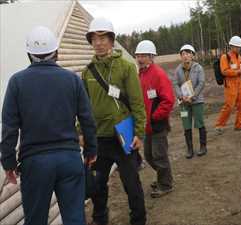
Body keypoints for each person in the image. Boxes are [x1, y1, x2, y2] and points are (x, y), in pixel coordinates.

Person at [0, 26, 97, 225]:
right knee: (74, 219)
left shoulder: (17, 82)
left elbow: (9, 128)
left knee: (36, 220)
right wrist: (91, 150)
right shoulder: (72, 80)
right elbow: (87, 119)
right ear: (57, 52)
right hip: (69, 159)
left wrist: (8, 163)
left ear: (29, 54)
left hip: (35, 164)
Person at [82, 17, 146, 225]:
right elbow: (81, 107)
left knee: (131, 184)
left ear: (111, 40)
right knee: (98, 186)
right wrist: (80, 131)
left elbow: (137, 103)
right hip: (99, 139)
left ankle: (138, 220)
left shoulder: (126, 67)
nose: (98, 43)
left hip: (123, 136)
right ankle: (100, 220)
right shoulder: (87, 72)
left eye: (103, 38)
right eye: (94, 38)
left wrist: (139, 133)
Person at [135, 40, 175, 198]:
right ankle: (163, 177)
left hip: (157, 124)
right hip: (147, 125)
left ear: (151, 57)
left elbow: (168, 100)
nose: (140, 58)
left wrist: (155, 116)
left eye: (143, 56)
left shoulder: (158, 74)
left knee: (159, 156)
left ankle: (165, 185)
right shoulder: (141, 74)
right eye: (138, 55)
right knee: (150, 156)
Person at [173, 44, 207, 159]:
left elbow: (201, 83)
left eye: (188, 53)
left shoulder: (198, 68)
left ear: (192, 55)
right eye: (183, 54)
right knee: (186, 125)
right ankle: (190, 149)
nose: (185, 56)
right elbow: (175, 84)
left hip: (197, 101)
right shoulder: (178, 70)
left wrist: (192, 96)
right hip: (183, 103)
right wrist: (181, 96)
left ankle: (203, 146)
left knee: (199, 123)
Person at [215, 36, 241, 134]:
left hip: (239, 83)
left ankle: (239, 124)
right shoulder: (225, 57)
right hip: (230, 84)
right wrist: (238, 71)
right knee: (229, 105)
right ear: (231, 46)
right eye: (236, 47)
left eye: (239, 47)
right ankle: (219, 125)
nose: (238, 48)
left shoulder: (239, 57)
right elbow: (224, 71)